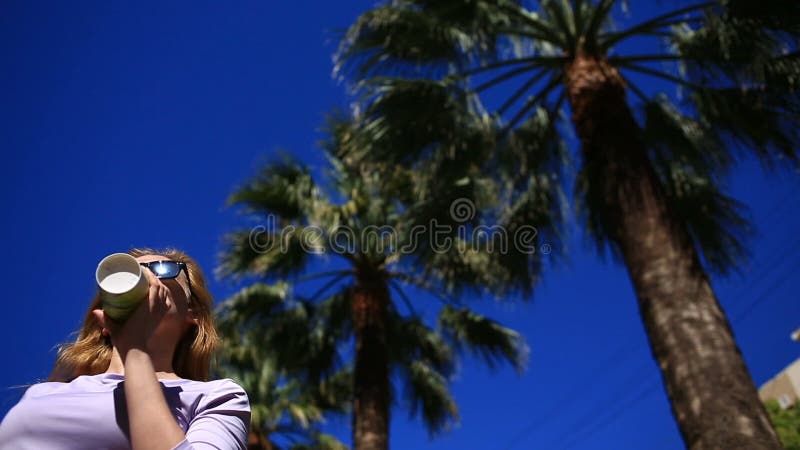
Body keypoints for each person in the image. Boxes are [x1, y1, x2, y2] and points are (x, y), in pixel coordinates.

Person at [0, 248, 251, 450]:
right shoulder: (42, 393)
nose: (145, 279)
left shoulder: (215, 397)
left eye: (162, 270)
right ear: (104, 319)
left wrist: (135, 350)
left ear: (191, 312)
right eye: (133, 272)